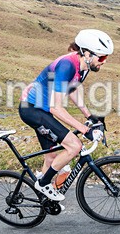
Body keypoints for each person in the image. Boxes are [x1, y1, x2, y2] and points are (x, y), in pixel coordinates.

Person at [19, 29, 112, 201]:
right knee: (74, 146)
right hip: (33, 109)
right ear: (88, 53)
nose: (104, 62)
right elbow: (56, 108)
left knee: (52, 157)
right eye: (102, 57)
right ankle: (44, 184)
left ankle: (43, 202)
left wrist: (89, 116)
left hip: (43, 109)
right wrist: (85, 130)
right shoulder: (67, 65)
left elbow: (72, 89)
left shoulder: (83, 67)